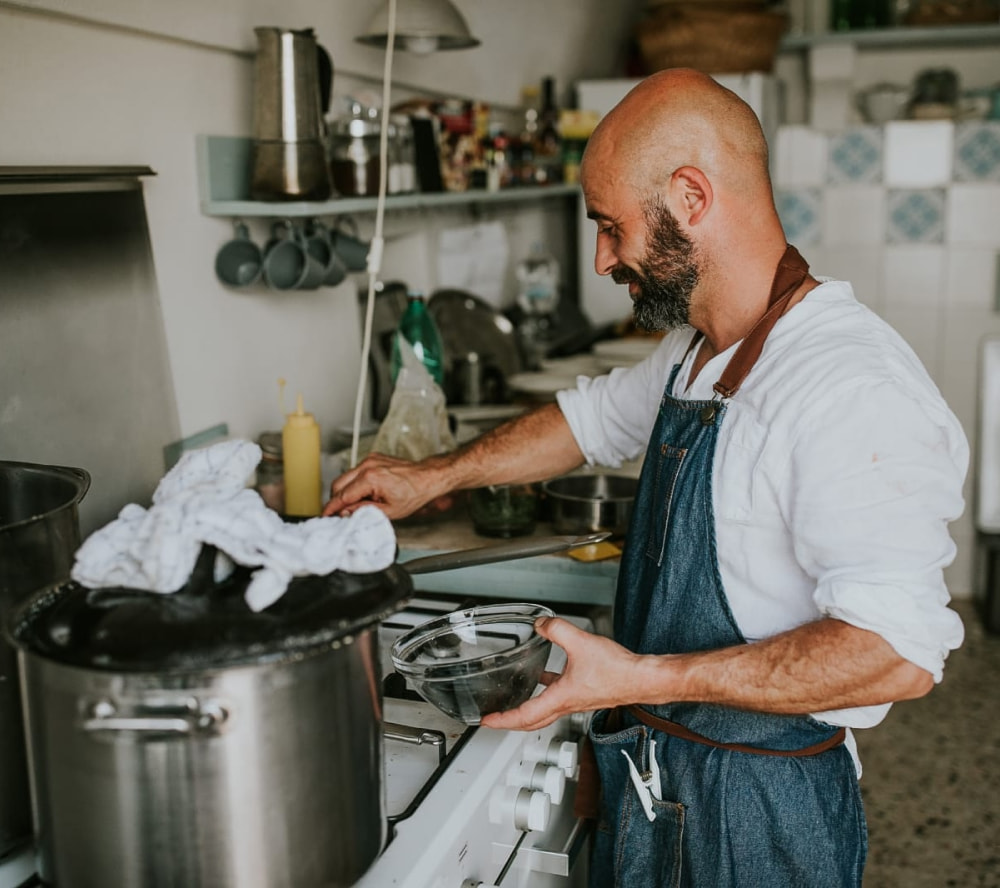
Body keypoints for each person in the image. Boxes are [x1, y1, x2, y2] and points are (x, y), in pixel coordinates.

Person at [324, 69, 968, 887]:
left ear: (691, 198)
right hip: (661, 776)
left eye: (609, 225)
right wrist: (433, 475)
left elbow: (894, 653)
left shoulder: (849, 388)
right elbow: (587, 420)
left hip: (756, 812)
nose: (602, 259)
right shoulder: (702, 345)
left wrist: (646, 677)